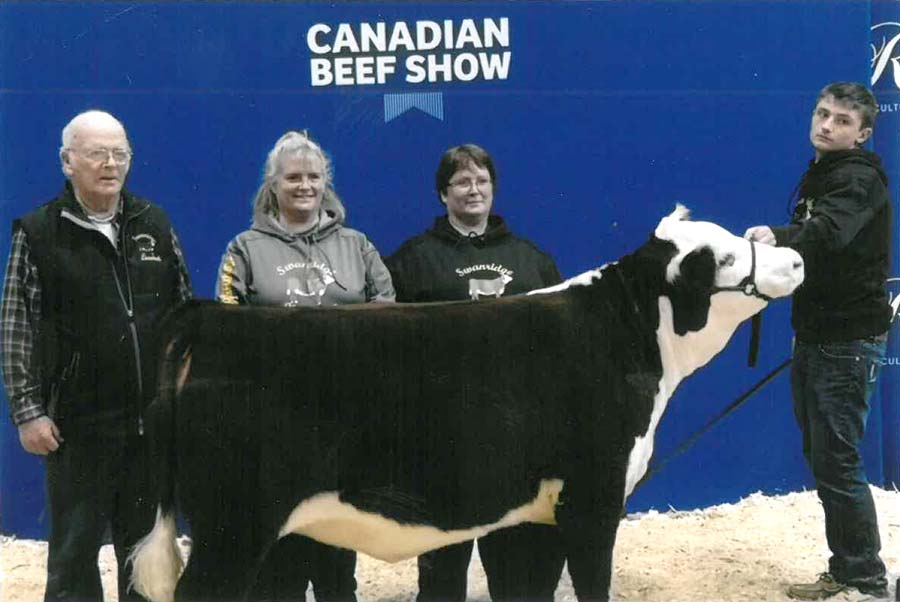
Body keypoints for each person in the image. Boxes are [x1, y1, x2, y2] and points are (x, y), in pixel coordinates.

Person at [0, 110, 193, 601]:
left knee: (146, 558)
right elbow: (16, 323)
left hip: (150, 422)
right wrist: (28, 411)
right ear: (67, 161)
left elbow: (184, 313)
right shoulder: (39, 231)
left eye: (119, 153)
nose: (110, 164)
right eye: (95, 153)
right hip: (75, 427)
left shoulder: (155, 222)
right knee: (73, 557)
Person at [216, 130, 394, 601]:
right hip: (273, 419)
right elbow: (228, 326)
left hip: (347, 420)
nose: (304, 186)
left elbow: (389, 312)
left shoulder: (358, 246)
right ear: (273, 184)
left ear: (326, 183)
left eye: (313, 177)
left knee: (338, 564)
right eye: (293, 177)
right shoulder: (243, 249)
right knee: (280, 566)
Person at [385, 143, 566, 602]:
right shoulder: (410, 261)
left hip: (515, 443)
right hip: (439, 442)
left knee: (516, 576)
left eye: (482, 181)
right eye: (462, 182)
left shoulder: (531, 261)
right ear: (442, 194)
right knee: (442, 578)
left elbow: (559, 347)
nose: (474, 190)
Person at [745, 82, 893, 601]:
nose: (827, 124)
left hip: (846, 339)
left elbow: (827, 233)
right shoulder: (826, 173)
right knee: (827, 459)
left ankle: (868, 583)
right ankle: (847, 572)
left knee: (838, 461)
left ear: (863, 134)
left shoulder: (856, 179)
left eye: (842, 120)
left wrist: (778, 237)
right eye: (823, 113)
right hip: (819, 334)